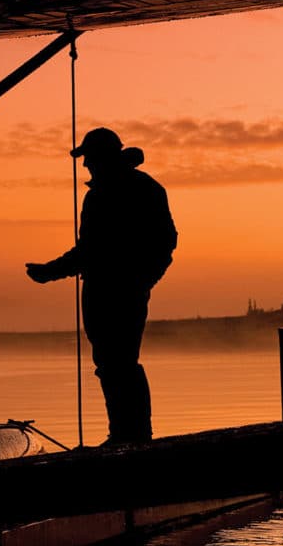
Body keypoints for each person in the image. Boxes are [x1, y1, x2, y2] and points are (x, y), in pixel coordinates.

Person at [26, 127, 177, 446]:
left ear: (103, 157)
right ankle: (125, 435)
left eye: (89, 158)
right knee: (111, 363)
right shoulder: (107, 194)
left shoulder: (132, 191)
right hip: (102, 290)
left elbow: (161, 241)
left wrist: (143, 278)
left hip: (121, 291)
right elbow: (89, 251)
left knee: (120, 362)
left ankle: (132, 436)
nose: (85, 166)